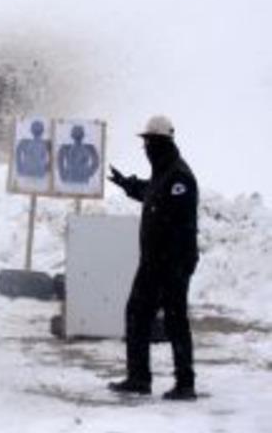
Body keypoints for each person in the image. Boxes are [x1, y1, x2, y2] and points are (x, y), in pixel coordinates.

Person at [107, 115, 199, 401]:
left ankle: (185, 384)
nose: (145, 147)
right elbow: (151, 192)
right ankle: (139, 378)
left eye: (148, 141)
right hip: (154, 262)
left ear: (160, 142)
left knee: (174, 321)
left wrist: (171, 266)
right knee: (137, 314)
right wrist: (128, 184)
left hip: (171, 264)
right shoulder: (164, 171)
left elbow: (178, 222)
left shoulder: (179, 177)